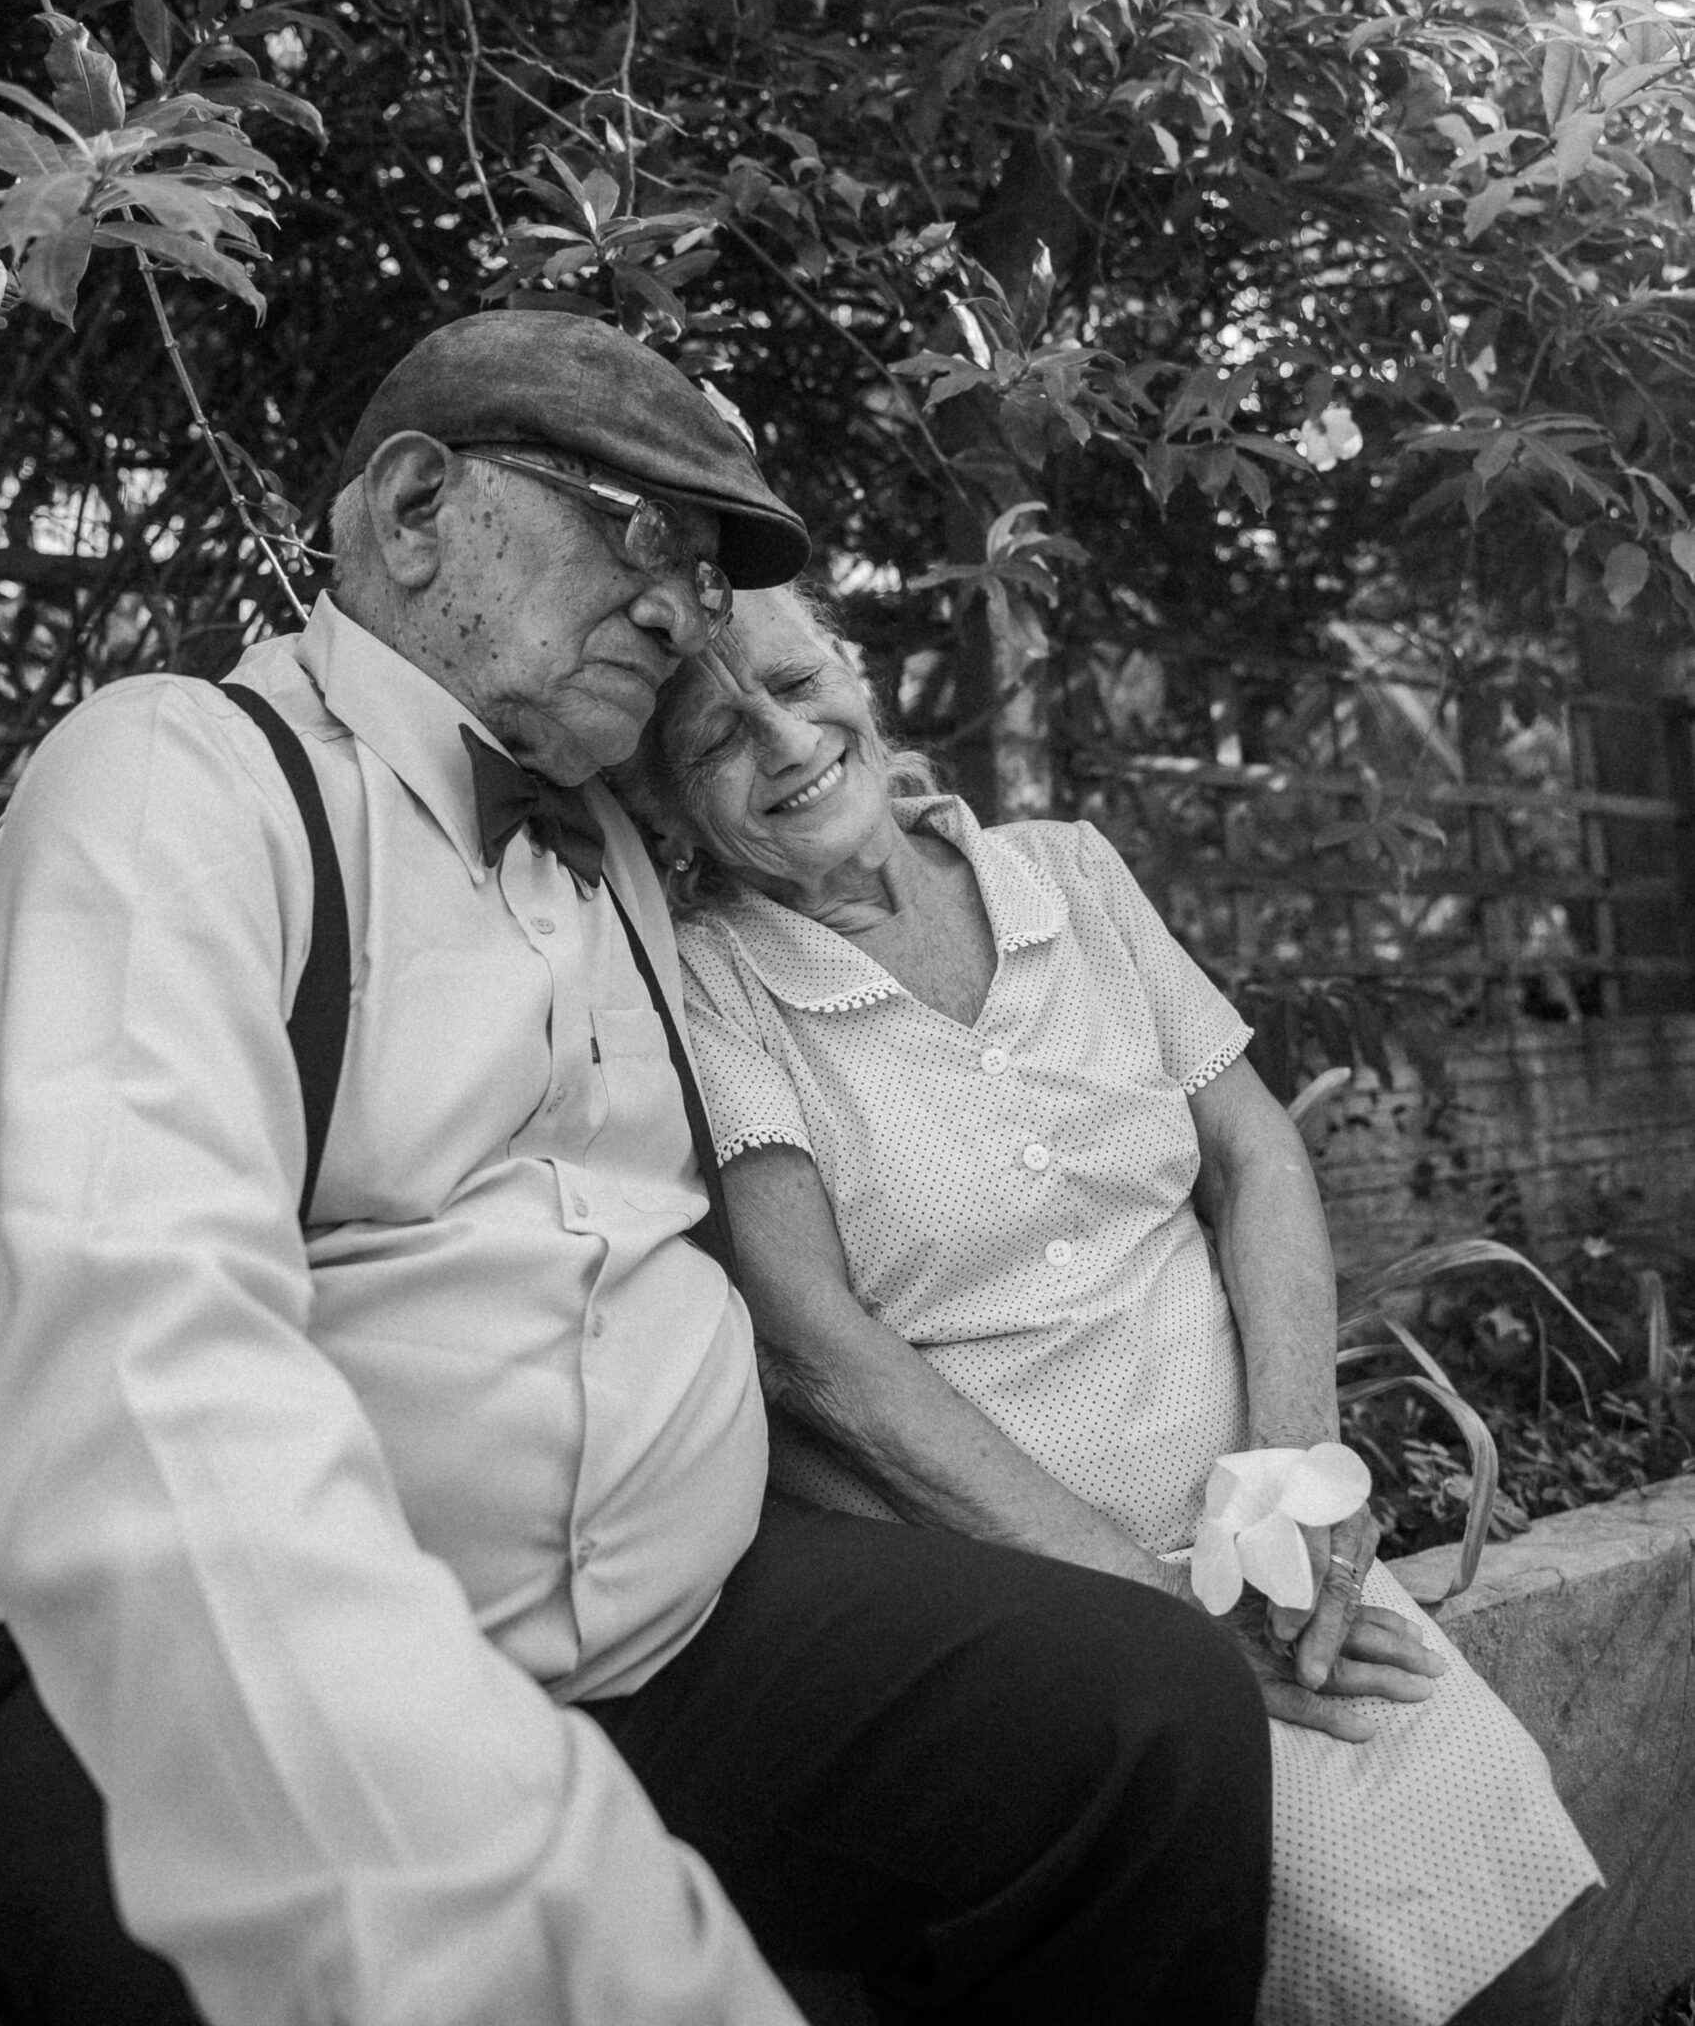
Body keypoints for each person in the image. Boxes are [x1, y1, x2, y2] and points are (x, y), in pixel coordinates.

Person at [0, 310, 1276, 2026]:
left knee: (1147, 1721)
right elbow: (141, 1364)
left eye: (704, 565)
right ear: (418, 507)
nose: (679, 607)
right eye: (634, 531)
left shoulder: (631, 858)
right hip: (271, 1657)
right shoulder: (186, 782)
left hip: (694, 1637)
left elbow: (886, 913)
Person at [619, 579, 1605, 2026]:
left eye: (794, 679)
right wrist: (1157, 1619)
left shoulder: (1067, 876)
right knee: (1380, 1957)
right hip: (1055, 1625)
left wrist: (1296, 1487)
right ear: (676, 813)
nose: (783, 740)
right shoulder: (720, 984)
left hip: (1259, 1546)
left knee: (1531, 1919)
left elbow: (1257, 1154)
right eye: (716, 738)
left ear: (855, 669)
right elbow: (815, 1351)